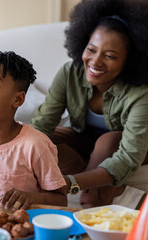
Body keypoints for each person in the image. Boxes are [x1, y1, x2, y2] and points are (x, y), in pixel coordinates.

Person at [31, 0, 148, 209]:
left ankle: (89, 205)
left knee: (108, 140)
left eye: (110, 56)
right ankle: (111, 184)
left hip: (130, 148)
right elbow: (43, 124)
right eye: (92, 49)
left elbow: (129, 156)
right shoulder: (70, 73)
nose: (95, 61)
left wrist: (72, 182)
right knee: (39, 139)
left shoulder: (141, 93)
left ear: (130, 60)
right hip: (85, 141)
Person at [0, 51, 67, 211]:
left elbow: (60, 200)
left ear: (17, 99)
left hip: (20, 229)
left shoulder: (35, 145)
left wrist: (30, 197)